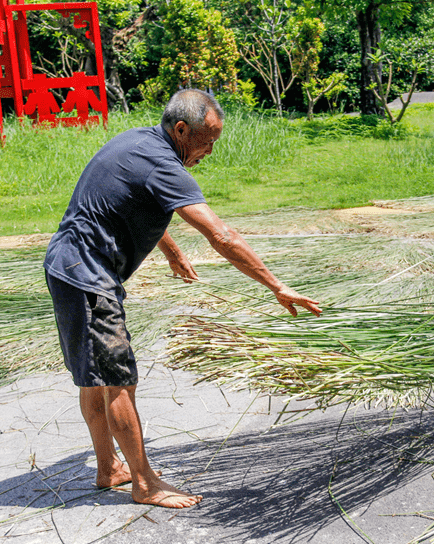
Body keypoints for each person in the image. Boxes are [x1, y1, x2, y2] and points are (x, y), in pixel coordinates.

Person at [44, 89, 321, 509]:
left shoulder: (137, 141)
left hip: (68, 266)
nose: (210, 151)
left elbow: (134, 203)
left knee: (96, 375)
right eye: (207, 140)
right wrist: (277, 286)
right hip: (86, 276)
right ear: (180, 130)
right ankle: (144, 483)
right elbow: (222, 236)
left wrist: (172, 252)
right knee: (118, 379)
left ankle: (108, 468)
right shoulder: (163, 163)